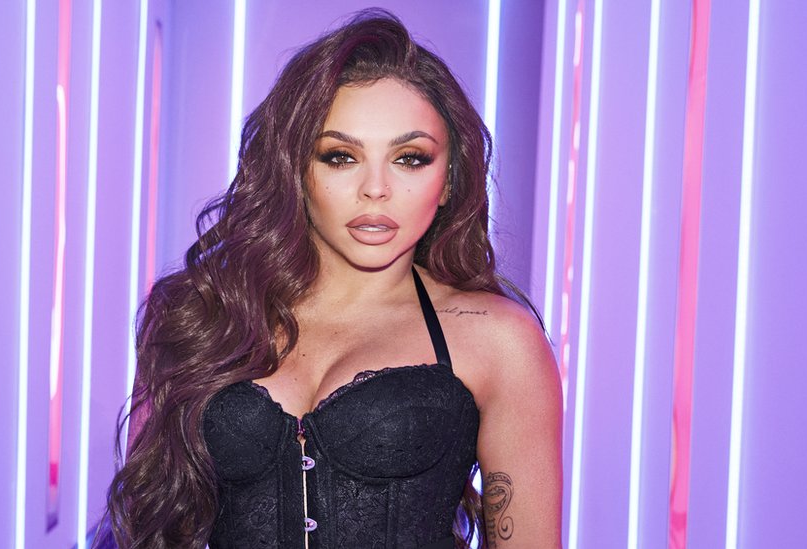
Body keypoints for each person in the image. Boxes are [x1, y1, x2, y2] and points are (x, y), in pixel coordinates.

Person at [99, 9, 562, 549]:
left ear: (449, 178)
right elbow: (147, 524)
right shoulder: (201, 316)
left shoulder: (498, 339)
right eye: (340, 156)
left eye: (410, 158)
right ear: (296, 169)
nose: (376, 188)